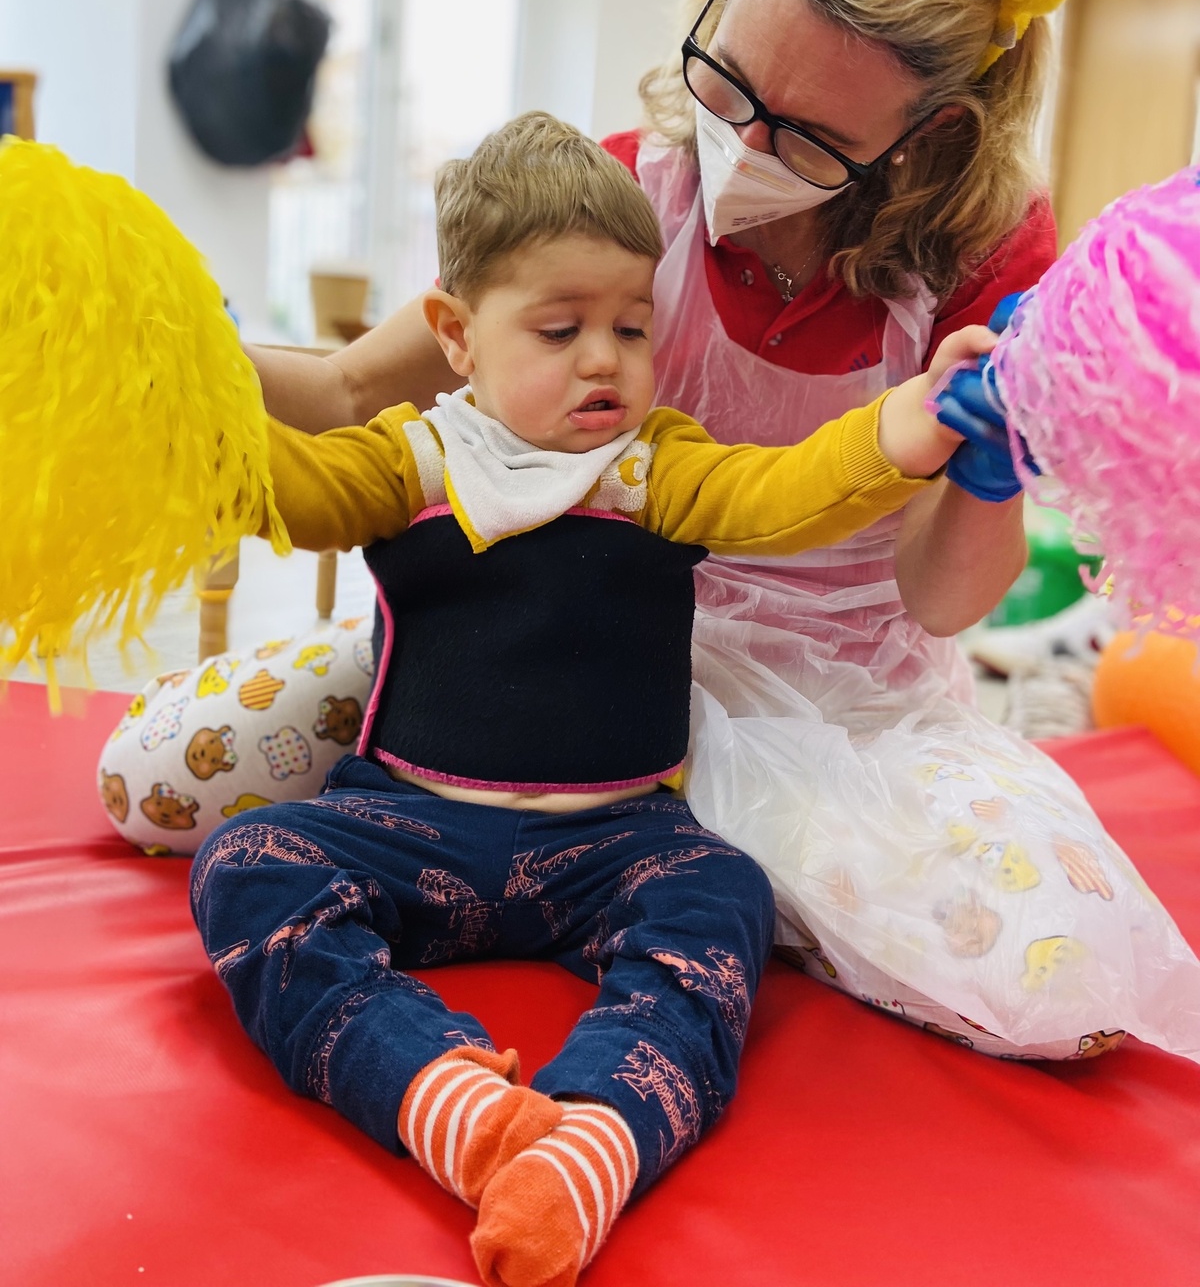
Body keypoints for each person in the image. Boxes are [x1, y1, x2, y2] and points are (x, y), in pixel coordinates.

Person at [227, 0, 1200, 1063]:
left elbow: (937, 597)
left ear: (930, 134)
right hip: (566, 645)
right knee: (169, 777)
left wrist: (983, 456)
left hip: (847, 691)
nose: (739, 139)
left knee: (1056, 992)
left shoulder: (980, 260)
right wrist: (173, 353)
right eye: (723, 76)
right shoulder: (632, 197)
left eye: (805, 136)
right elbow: (351, 390)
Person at [191, 111, 982, 1287]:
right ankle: (438, 1096)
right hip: (411, 824)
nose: (604, 359)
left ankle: (599, 1134)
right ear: (457, 336)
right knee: (247, 859)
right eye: (559, 330)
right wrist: (174, 406)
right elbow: (291, 489)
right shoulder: (416, 455)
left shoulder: (655, 465)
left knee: (725, 894)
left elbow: (785, 493)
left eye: (631, 325)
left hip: (614, 843)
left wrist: (907, 425)